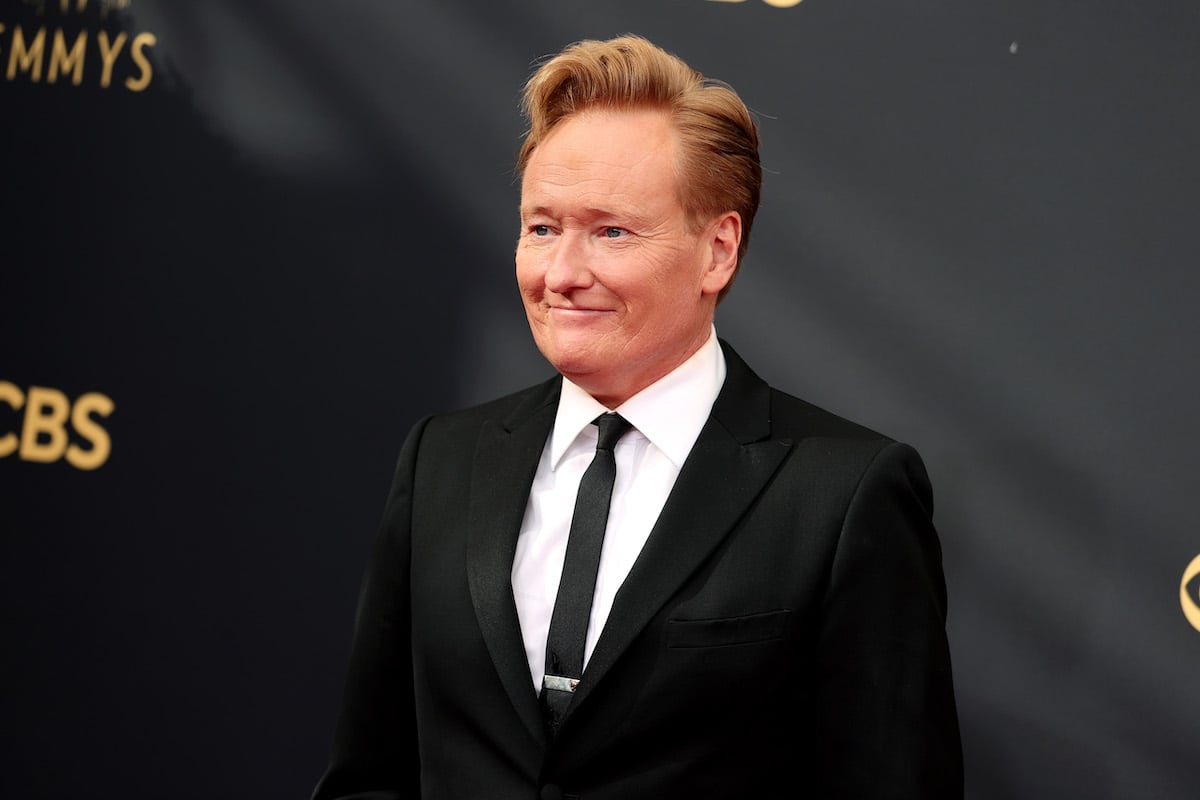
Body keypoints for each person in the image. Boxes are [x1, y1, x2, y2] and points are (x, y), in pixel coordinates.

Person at [313, 34, 962, 800]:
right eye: (542, 227)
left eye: (611, 231)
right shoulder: (440, 462)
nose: (561, 274)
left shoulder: (843, 494)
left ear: (717, 250)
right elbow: (371, 774)